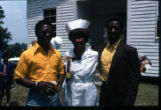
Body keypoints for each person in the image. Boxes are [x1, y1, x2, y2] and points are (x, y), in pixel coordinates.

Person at [14, 20, 65, 107]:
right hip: (35, 100)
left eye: (50, 32)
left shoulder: (56, 53)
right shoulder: (27, 54)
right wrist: (36, 84)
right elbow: (18, 78)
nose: (48, 35)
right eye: (44, 32)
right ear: (36, 33)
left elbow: (61, 72)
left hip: (54, 99)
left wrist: (59, 83)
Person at [99, 17, 141, 107]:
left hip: (121, 97)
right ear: (107, 30)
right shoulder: (101, 49)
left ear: (121, 31)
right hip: (104, 95)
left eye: (116, 28)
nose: (113, 30)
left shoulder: (129, 51)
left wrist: (129, 101)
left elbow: (134, 79)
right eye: (110, 28)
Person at [62, 19, 99, 106]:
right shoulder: (68, 54)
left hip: (87, 92)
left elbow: (84, 73)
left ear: (85, 39)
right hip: (71, 90)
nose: (77, 40)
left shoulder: (93, 54)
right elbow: (68, 74)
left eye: (80, 37)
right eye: (74, 38)